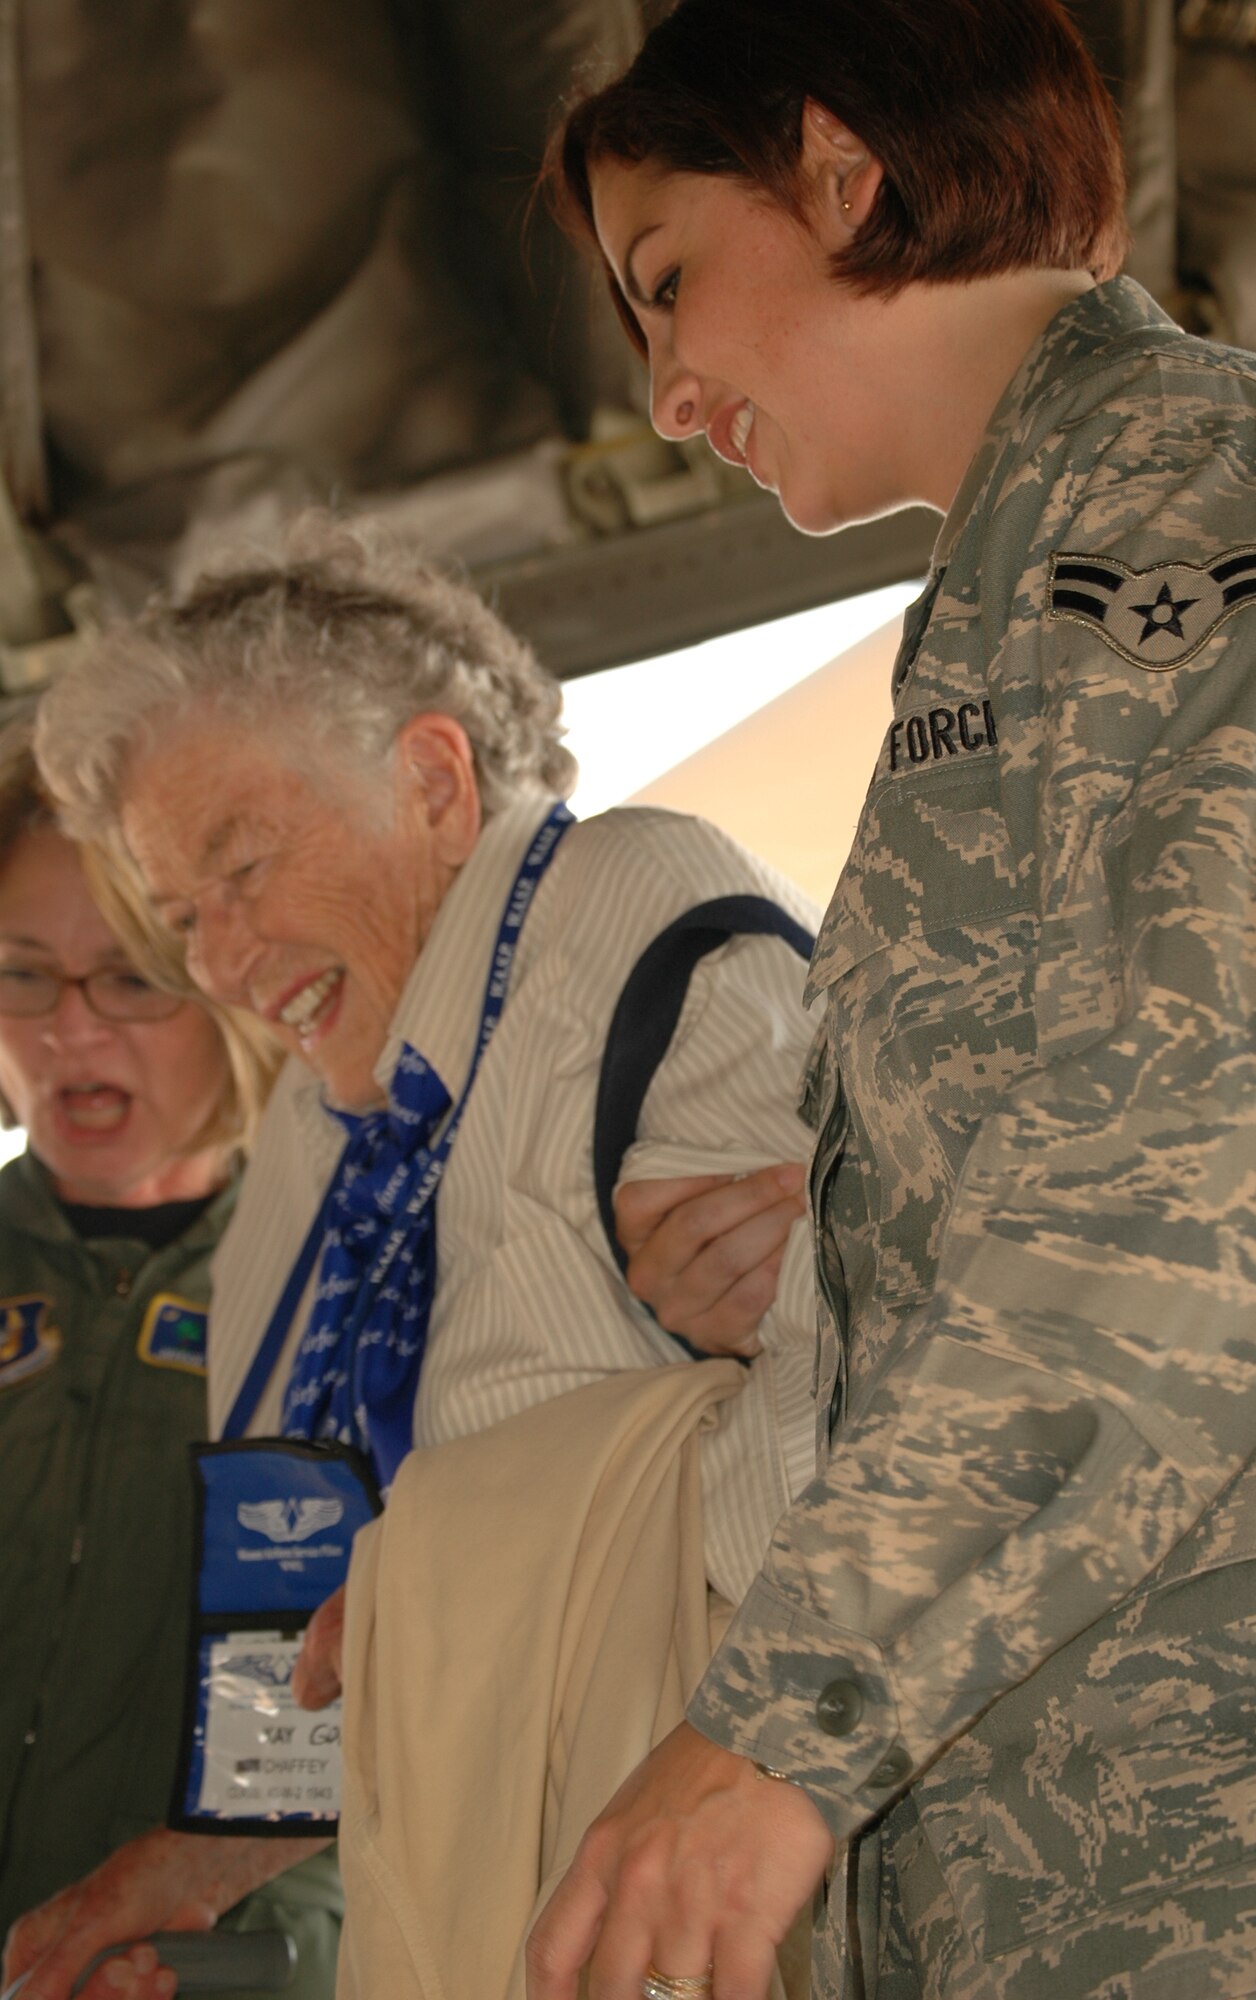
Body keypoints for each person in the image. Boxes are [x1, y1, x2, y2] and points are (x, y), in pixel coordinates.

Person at [525, 3, 1256, 1997]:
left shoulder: (1182, 483)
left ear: (834, 169)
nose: (666, 391)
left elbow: (1198, 1158)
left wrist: (783, 1729)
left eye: (669, 282)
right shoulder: (1037, 555)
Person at [27, 513, 822, 1999]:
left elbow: (850, 1416)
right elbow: (326, 1617)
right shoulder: (308, 1148)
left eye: (243, 866)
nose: (211, 959)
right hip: (480, 1910)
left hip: (698, 1893)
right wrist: (202, 1862)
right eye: (182, 915)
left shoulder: (626, 907)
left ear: (437, 783)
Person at [0, 718, 343, 2000]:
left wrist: (239, 1950)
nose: (69, 1032)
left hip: (221, 1969)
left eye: (131, 979)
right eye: (23, 972)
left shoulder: (346, 1282)